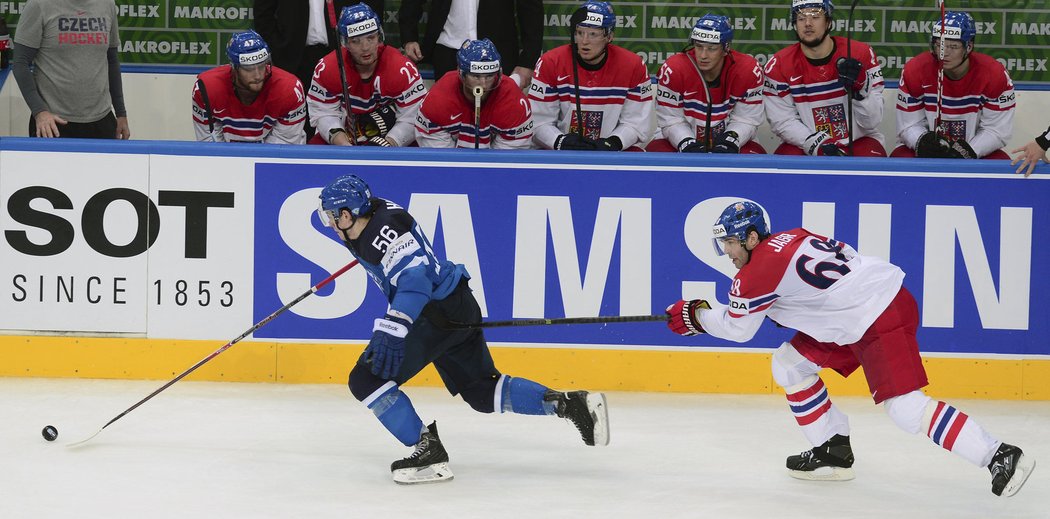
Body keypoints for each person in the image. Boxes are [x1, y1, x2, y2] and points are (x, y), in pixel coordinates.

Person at [664, 200, 1035, 497]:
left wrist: (696, 316)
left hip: (876, 315)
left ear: (751, 238)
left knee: (905, 409)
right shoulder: (790, 237)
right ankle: (832, 450)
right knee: (789, 365)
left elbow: (739, 329)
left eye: (730, 242)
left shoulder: (755, 272)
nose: (726, 251)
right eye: (723, 243)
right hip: (851, 313)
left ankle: (999, 454)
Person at [317, 174, 609, 484]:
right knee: (480, 390)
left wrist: (394, 327)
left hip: (433, 314)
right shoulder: (373, 215)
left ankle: (428, 451)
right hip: (458, 302)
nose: (330, 225)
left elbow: (414, 280)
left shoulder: (380, 233)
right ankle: (569, 404)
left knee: (366, 380)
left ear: (347, 214)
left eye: (330, 217)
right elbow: (399, 247)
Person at [763, 0, 884, 156]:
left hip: (858, 140)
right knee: (785, 162)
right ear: (794, 24)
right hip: (806, 142)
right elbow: (783, 121)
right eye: (800, 18)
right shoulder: (778, 65)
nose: (807, 23)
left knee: (872, 164)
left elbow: (872, 122)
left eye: (815, 16)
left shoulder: (861, 53)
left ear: (828, 22)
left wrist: (861, 91)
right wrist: (816, 144)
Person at [529, 1, 652, 151]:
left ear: (609, 36)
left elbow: (636, 123)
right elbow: (538, 122)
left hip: (611, 151)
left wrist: (614, 142)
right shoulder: (550, 62)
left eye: (593, 34)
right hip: (561, 149)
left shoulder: (633, 65)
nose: (584, 41)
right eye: (580, 33)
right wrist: (559, 141)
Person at [253, 0, 383, 139]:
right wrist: (278, 46)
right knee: (294, 124)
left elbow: (373, 5)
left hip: (345, 53)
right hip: (293, 56)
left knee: (348, 120)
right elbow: (263, 12)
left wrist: (363, 41)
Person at [893, 12, 1015, 159]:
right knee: (901, 156)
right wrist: (921, 141)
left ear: (968, 47)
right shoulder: (914, 71)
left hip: (973, 148)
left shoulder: (994, 74)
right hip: (930, 150)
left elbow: (996, 130)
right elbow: (907, 125)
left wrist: (972, 150)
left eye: (953, 46)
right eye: (940, 45)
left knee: (1000, 161)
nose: (944, 53)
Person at [308, 3, 425, 147]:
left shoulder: (402, 69)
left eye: (370, 38)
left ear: (379, 36)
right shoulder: (327, 68)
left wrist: (387, 144)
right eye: (355, 41)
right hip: (346, 131)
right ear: (345, 43)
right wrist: (342, 143)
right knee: (315, 147)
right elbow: (323, 112)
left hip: (390, 132)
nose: (365, 48)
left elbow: (414, 117)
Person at [11, 0, 130, 139]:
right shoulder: (39, 5)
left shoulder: (107, 4)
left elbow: (112, 60)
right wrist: (39, 112)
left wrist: (121, 113)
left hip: (102, 120)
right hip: (53, 123)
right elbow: (20, 63)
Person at [649, 13, 766, 154]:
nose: (703, 55)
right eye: (699, 46)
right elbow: (670, 120)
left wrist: (731, 138)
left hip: (729, 139)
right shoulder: (674, 69)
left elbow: (747, 119)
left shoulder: (748, 70)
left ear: (726, 48)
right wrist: (685, 141)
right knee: (657, 152)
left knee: (754, 156)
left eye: (711, 48)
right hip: (678, 140)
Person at [191, 30, 307, 144]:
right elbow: (208, 142)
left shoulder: (290, 89)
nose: (257, 75)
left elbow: (281, 149)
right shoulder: (205, 88)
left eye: (261, 66)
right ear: (234, 68)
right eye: (249, 68)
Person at [398, 0, 543, 89]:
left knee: (497, 121)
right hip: (447, 50)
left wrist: (528, 62)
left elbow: (531, 8)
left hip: (497, 52)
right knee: (447, 118)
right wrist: (409, 37)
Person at [415, 39, 533, 148]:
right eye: (476, 76)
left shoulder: (513, 101)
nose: (483, 85)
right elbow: (442, 162)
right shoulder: (438, 99)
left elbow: (504, 163)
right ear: (461, 74)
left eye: (489, 76)